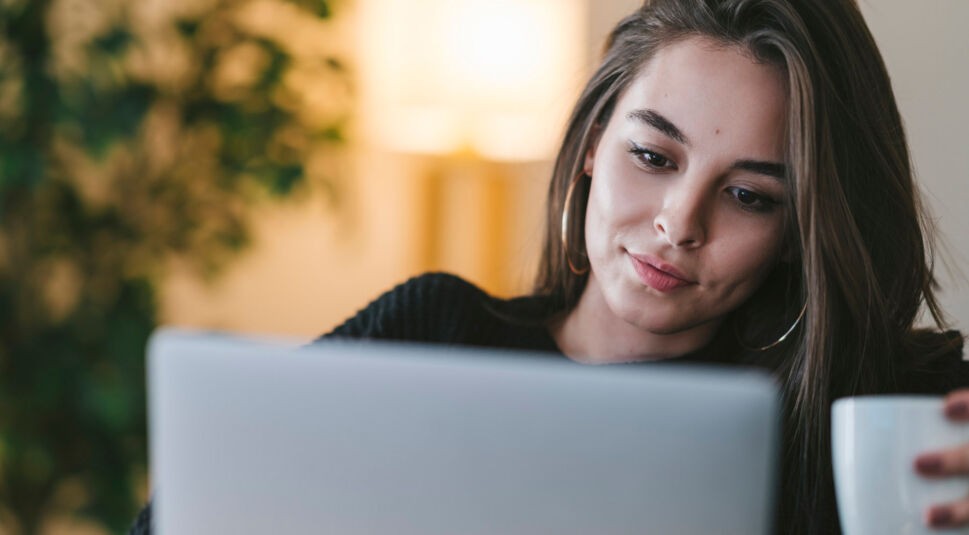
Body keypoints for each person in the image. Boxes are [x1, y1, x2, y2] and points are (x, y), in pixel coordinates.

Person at [129, 0, 969, 533]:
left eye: (749, 196)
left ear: (799, 230)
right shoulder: (436, 333)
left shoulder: (872, 413)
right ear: (592, 148)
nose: (678, 222)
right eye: (652, 154)